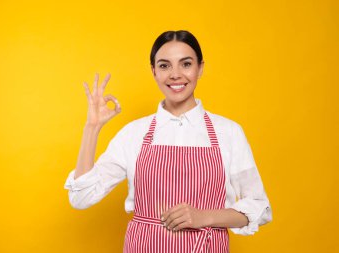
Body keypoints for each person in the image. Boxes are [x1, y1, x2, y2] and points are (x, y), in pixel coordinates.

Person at [64, 30, 272, 252]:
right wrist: (92, 128)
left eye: (186, 64)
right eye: (164, 66)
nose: (175, 74)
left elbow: (260, 207)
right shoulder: (133, 134)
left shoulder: (228, 132)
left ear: (200, 68)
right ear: (153, 71)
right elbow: (81, 197)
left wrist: (205, 217)